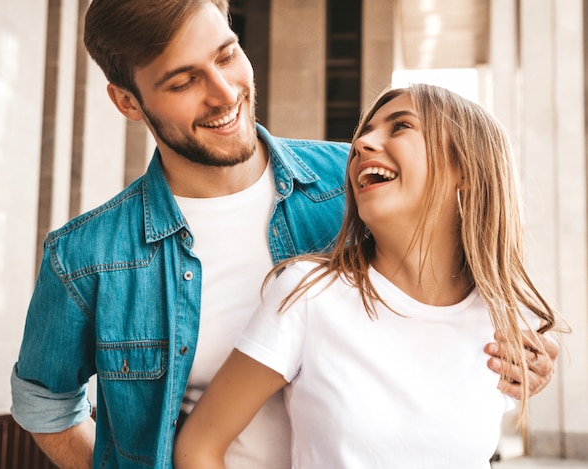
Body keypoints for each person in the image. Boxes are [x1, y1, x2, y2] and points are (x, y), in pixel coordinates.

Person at [9, 0, 558, 467]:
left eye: (226, 55)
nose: (224, 93)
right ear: (129, 102)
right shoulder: (86, 257)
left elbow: (456, 277)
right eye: (184, 81)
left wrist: (527, 357)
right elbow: (43, 403)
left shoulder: (352, 186)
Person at [173, 84, 569, 468]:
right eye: (365, 131)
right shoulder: (309, 295)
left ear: (464, 168)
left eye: (401, 126)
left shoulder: (508, 321)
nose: (360, 145)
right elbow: (199, 447)